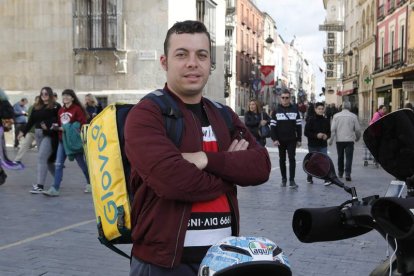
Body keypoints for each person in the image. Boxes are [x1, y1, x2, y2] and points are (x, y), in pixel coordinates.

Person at [124, 20, 270, 276]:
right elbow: (172, 181)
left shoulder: (224, 114)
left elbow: (261, 166)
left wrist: (205, 159)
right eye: (181, 54)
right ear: (164, 62)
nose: (193, 62)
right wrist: (228, 171)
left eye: (201, 55)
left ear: (210, 64)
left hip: (222, 261)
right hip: (163, 264)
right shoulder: (146, 114)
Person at [43, 89, 90, 196]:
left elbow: (82, 124)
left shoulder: (77, 109)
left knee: (82, 164)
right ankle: (55, 188)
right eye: (63, 96)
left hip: (73, 142)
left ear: (72, 98)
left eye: (68, 96)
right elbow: (61, 124)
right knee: (59, 165)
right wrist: (57, 128)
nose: (65, 97)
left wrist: (66, 129)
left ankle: (90, 183)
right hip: (62, 141)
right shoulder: (61, 111)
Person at [18, 87, 60, 193]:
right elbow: (31, 121)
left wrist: (48, 124)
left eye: (46, 93)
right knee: (48, 160)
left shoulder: (56, 106)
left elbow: (58, 120)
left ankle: (40, 186)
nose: (44, 95)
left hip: (49, 134)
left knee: (41, 157)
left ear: (50, 94)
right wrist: (23, 132)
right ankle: (58, 178)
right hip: (38, 134)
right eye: (42, 94)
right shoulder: (37, 107)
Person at [270, 89, 302, 188]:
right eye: (283, 97)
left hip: (292, 139)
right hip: (280, 140)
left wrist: (299, 139)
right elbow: (272, 126)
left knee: (292, 159)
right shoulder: (276, 110)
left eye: (287, 98)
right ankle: (284, 179)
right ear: (280, 98)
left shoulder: (295, 110)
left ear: (290, 98)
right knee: (282, 159)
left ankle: (292, 180)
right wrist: (274, 139)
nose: (284, 99)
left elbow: (299, 126)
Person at [328, 101, 361, 181]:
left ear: (342, 107)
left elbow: (332, 130)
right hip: (349, 140)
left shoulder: (336, 116)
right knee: (349, 157)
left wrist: (331, 140)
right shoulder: (353, 116)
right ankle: (347, 174)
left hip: (339, 140)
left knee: (340, 156)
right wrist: (357, 137)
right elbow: (357, 130)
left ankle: (340, 172)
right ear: (349, 107)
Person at [304, 102, 331, 185]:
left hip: (323, 144)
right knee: (312, 161)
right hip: (313, 144)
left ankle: (326, 179)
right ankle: (309, 177)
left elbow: (329, 132)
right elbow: (306, 133)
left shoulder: (326, 120)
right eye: (319, 109)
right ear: (315, 109)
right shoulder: (311, 120)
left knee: (324, 161)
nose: (321, 110)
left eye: (322, 109)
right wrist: (316, 135)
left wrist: (327, 136)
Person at [14, 96, 39, 164]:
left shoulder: (43, 108)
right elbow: (29, 119)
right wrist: (24, 132)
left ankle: (47, 160)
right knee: (24, 145)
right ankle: (17, 159)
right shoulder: (30, 107)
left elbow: (27, 114)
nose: (38, 102)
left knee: (42, 147)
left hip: (38, 131)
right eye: (37, 100)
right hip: (29, 129)